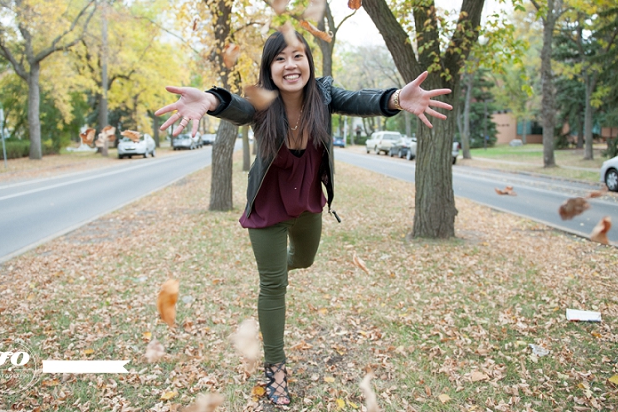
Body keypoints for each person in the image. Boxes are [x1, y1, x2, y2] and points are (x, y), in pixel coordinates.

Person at [155, 30, 452, 406]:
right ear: (269, 68)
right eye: (279, 58)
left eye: (298, 56)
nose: (290, 65)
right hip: (268, 209)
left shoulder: (324, 95)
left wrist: (394, 98)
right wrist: (213, 100)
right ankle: (275, 369)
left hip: (309, 204)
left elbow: (361, 100)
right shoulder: (260, 100)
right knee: (273, 287)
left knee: (307, 259)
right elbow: (238, 107)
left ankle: (275, 268)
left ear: (309, 62)